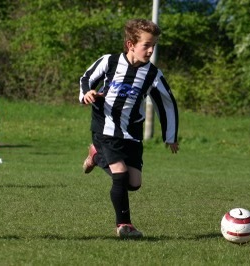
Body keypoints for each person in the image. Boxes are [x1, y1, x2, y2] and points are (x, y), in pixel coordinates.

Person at [79, 18, 179, 239]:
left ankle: (96, 157)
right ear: (130, 44)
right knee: (120, 174)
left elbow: (167, 103)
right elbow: (86, 78)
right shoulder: (109, 62)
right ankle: (124, 225)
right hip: (105, 127)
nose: (151, 50)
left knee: (133, 183)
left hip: (132, 132)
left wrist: (170, 135)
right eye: (146, 45)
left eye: (154, 45)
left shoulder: (152, 74)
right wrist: (87, 94)